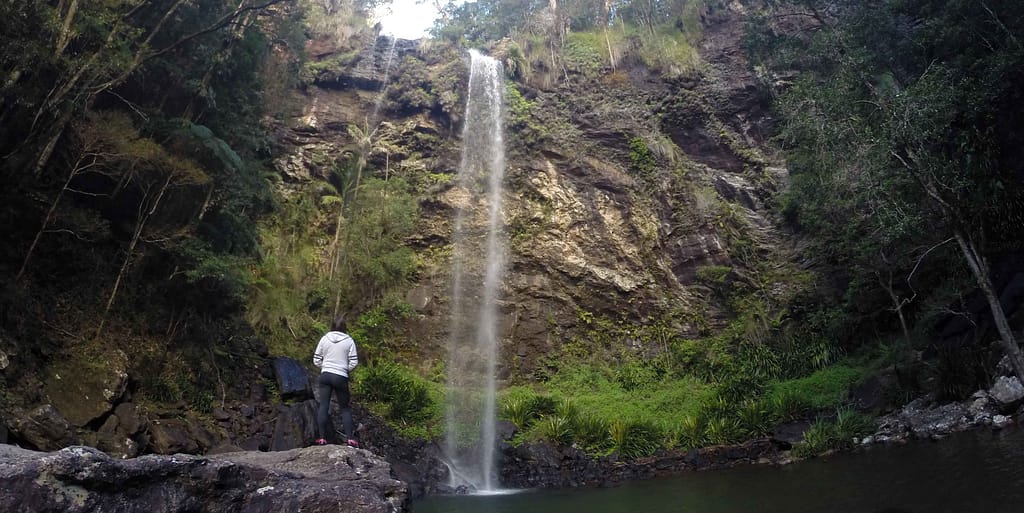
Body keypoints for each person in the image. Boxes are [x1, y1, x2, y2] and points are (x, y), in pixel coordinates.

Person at [313, 316, 359, 447]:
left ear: (332, 326)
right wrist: (344, 369)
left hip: (326, 375)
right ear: (344, 327)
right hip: (341, 376)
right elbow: (354, 361)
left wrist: (325, 367)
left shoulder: (325, 338)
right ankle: (350, 439)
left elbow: (316, 359)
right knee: (345, 408)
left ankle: (322, 438)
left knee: (324, 406)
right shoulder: (349, 341)